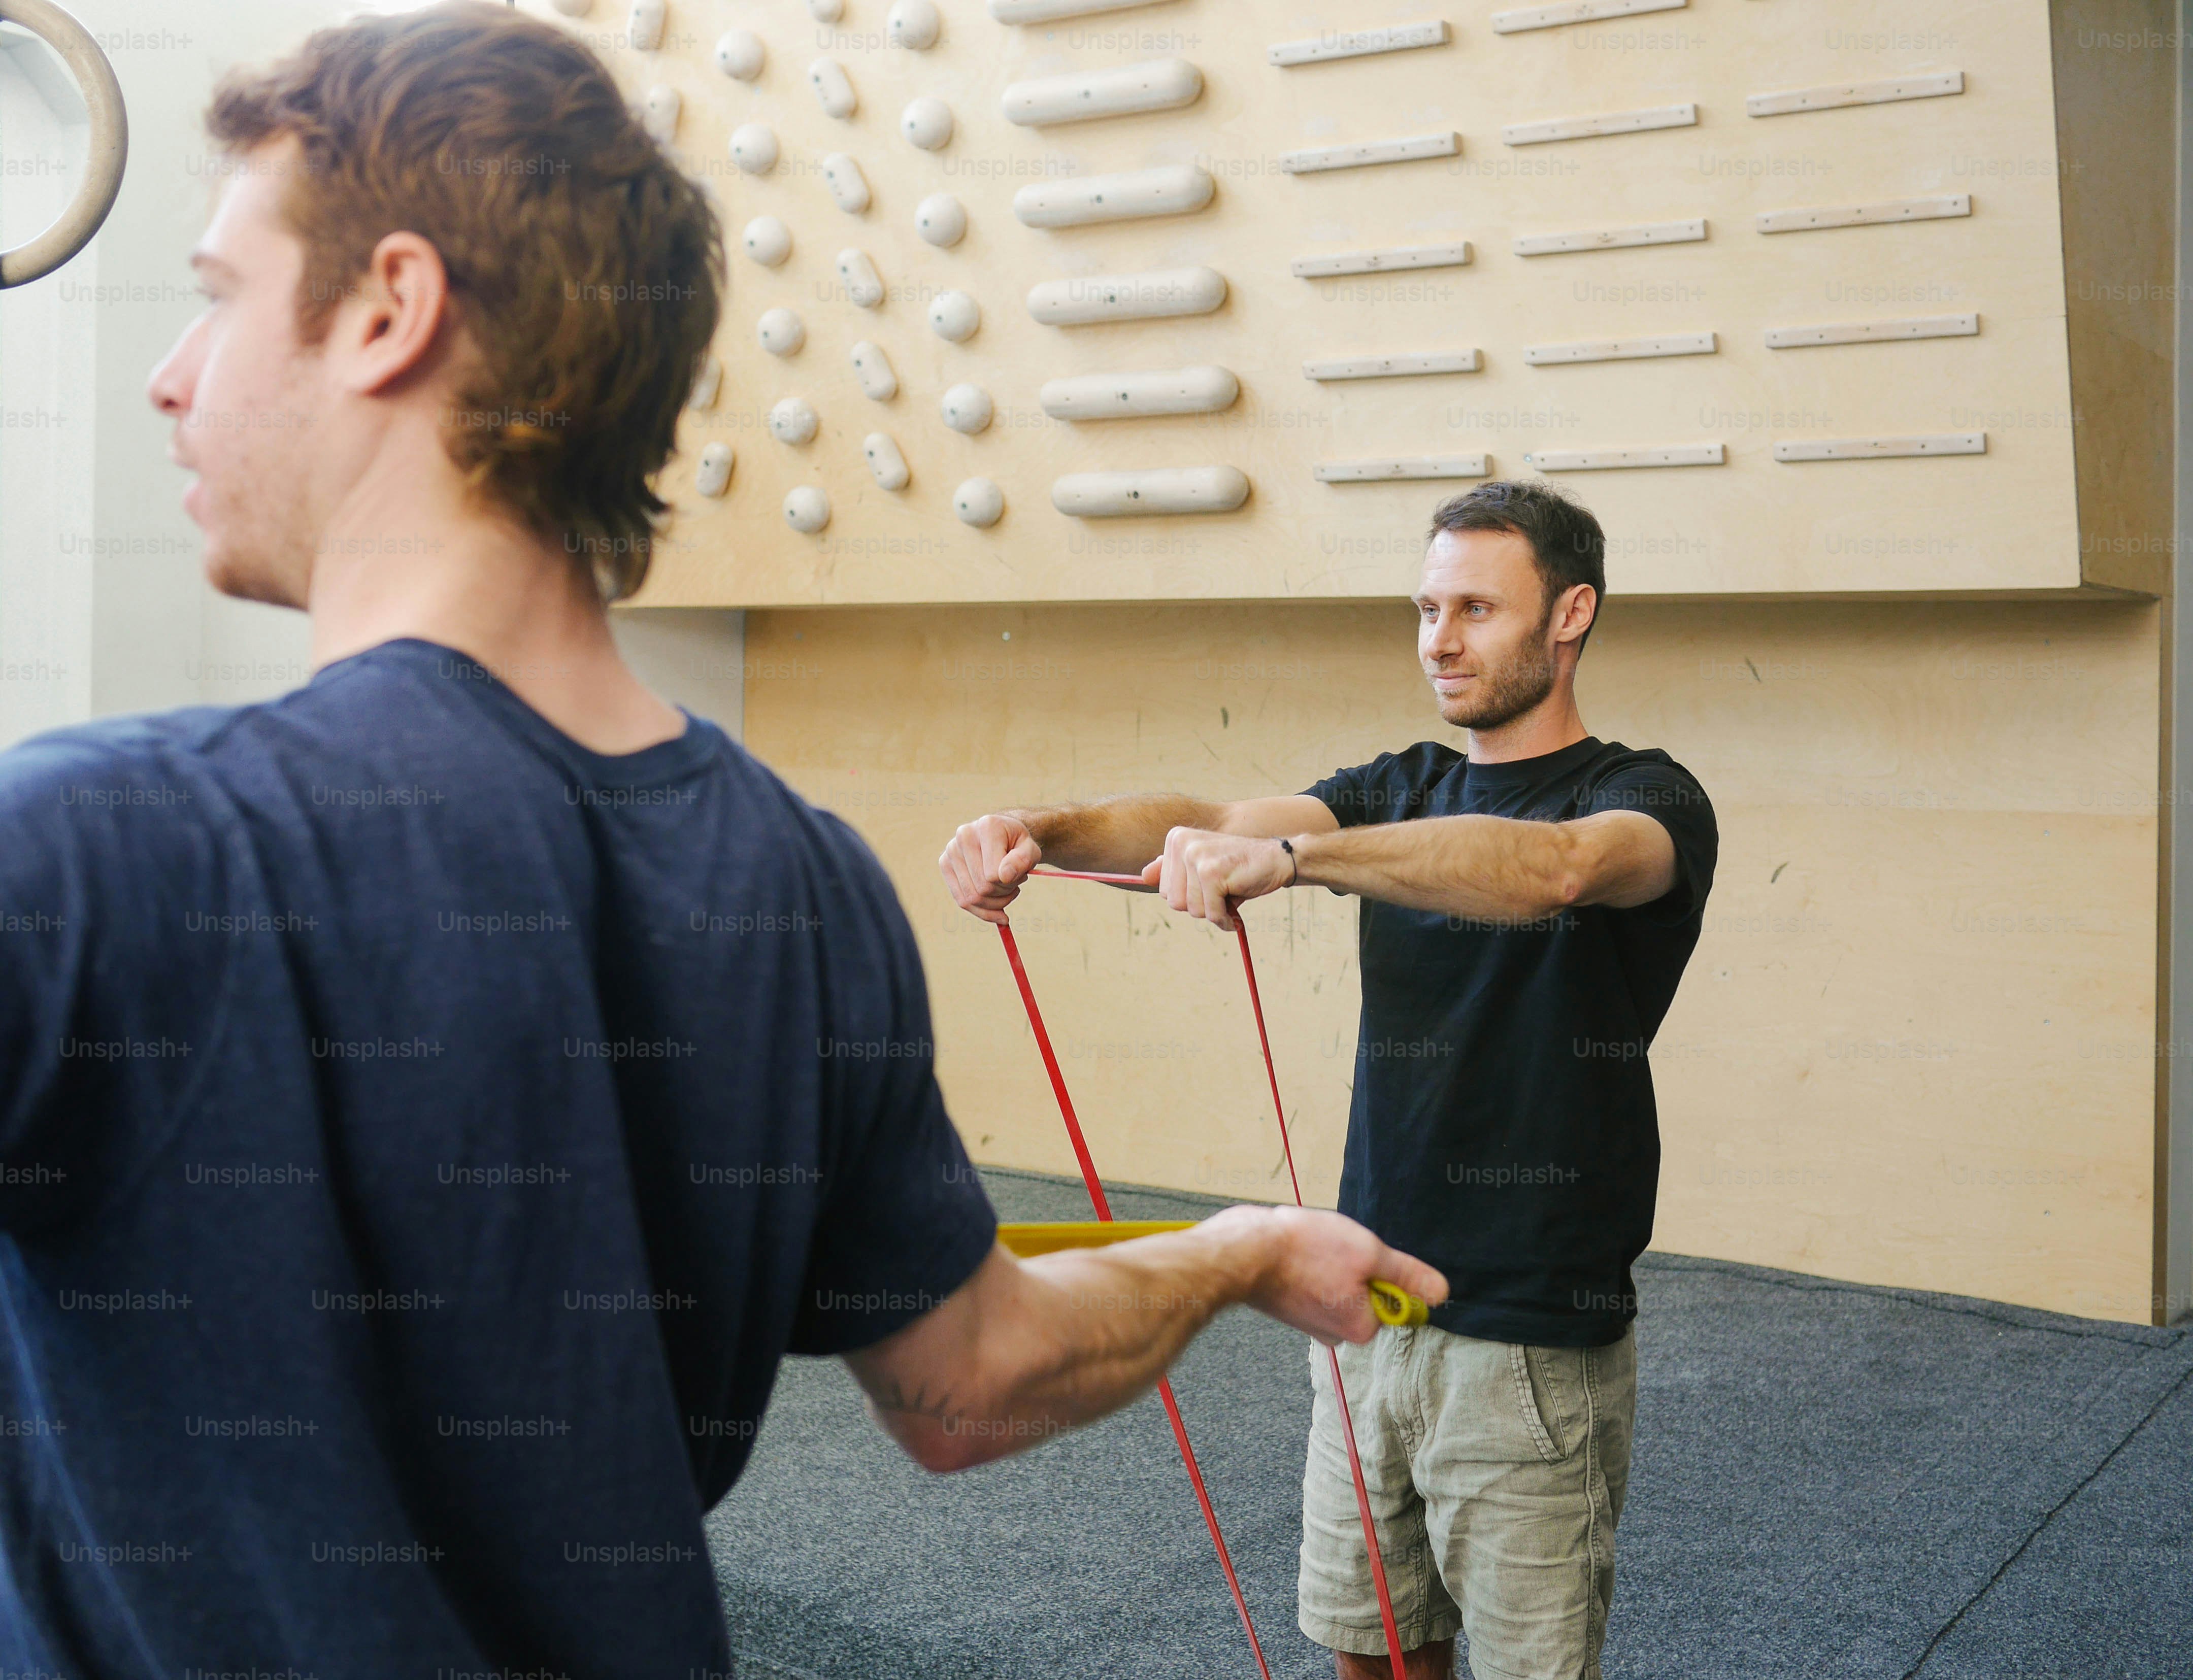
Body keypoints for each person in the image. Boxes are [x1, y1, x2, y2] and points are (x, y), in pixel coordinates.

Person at [0, 7, 1446, 1676]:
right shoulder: (806, 886)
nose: (177, 373)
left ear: (390, 308)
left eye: (216, 296)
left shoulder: (99, 847)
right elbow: (974, 1380)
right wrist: (1237, 1250)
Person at [941, 480, 1720, 1680]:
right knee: (1374, 1659)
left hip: (1526, 1337)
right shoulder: (1398, 783)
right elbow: (1200, 815)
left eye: (1475, 607)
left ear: (1571, 615)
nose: (1439, 640)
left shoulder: (1644, 798)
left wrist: (1298, 859)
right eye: (1424, 607)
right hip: (1369, 1312)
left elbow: (1554, 871)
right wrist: (1032, 827)